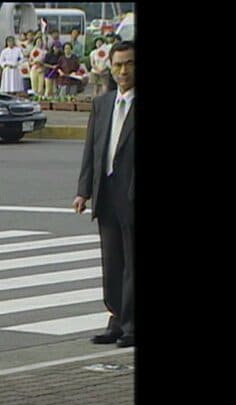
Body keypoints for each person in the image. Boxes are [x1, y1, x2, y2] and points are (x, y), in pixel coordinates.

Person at [73, 41, 135, 349]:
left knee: (132, 262)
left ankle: (131, 325)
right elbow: (92, 151)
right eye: (118, 64)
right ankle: (115, 319)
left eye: (129, 64)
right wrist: (83, 191)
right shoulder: (103, 103)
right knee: (111, 261)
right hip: (106, 192)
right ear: (110, 67)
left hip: (131, 192)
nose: (123, 70)